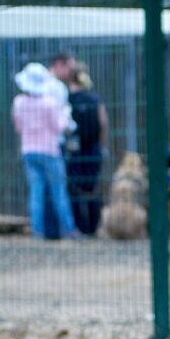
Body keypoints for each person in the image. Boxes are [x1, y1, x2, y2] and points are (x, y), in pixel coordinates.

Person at [12, 63, 77, 240]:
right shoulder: (49, 103)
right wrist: (65, 114)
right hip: (50, 151)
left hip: (29, 151)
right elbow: (59, 127)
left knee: (36, 192)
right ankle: (69, 229)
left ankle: (37, 232)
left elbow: (18, 126)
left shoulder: (18, 103)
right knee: (58, 191)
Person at [66, 63, 109, 235]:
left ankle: (79, 226)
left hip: (75, 150)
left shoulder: (68, 99)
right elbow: (103, 123)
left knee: (75, 188)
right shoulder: (95, 98)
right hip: (93, 149)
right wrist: (101, 146)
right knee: (93, 188)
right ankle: (93, 227)